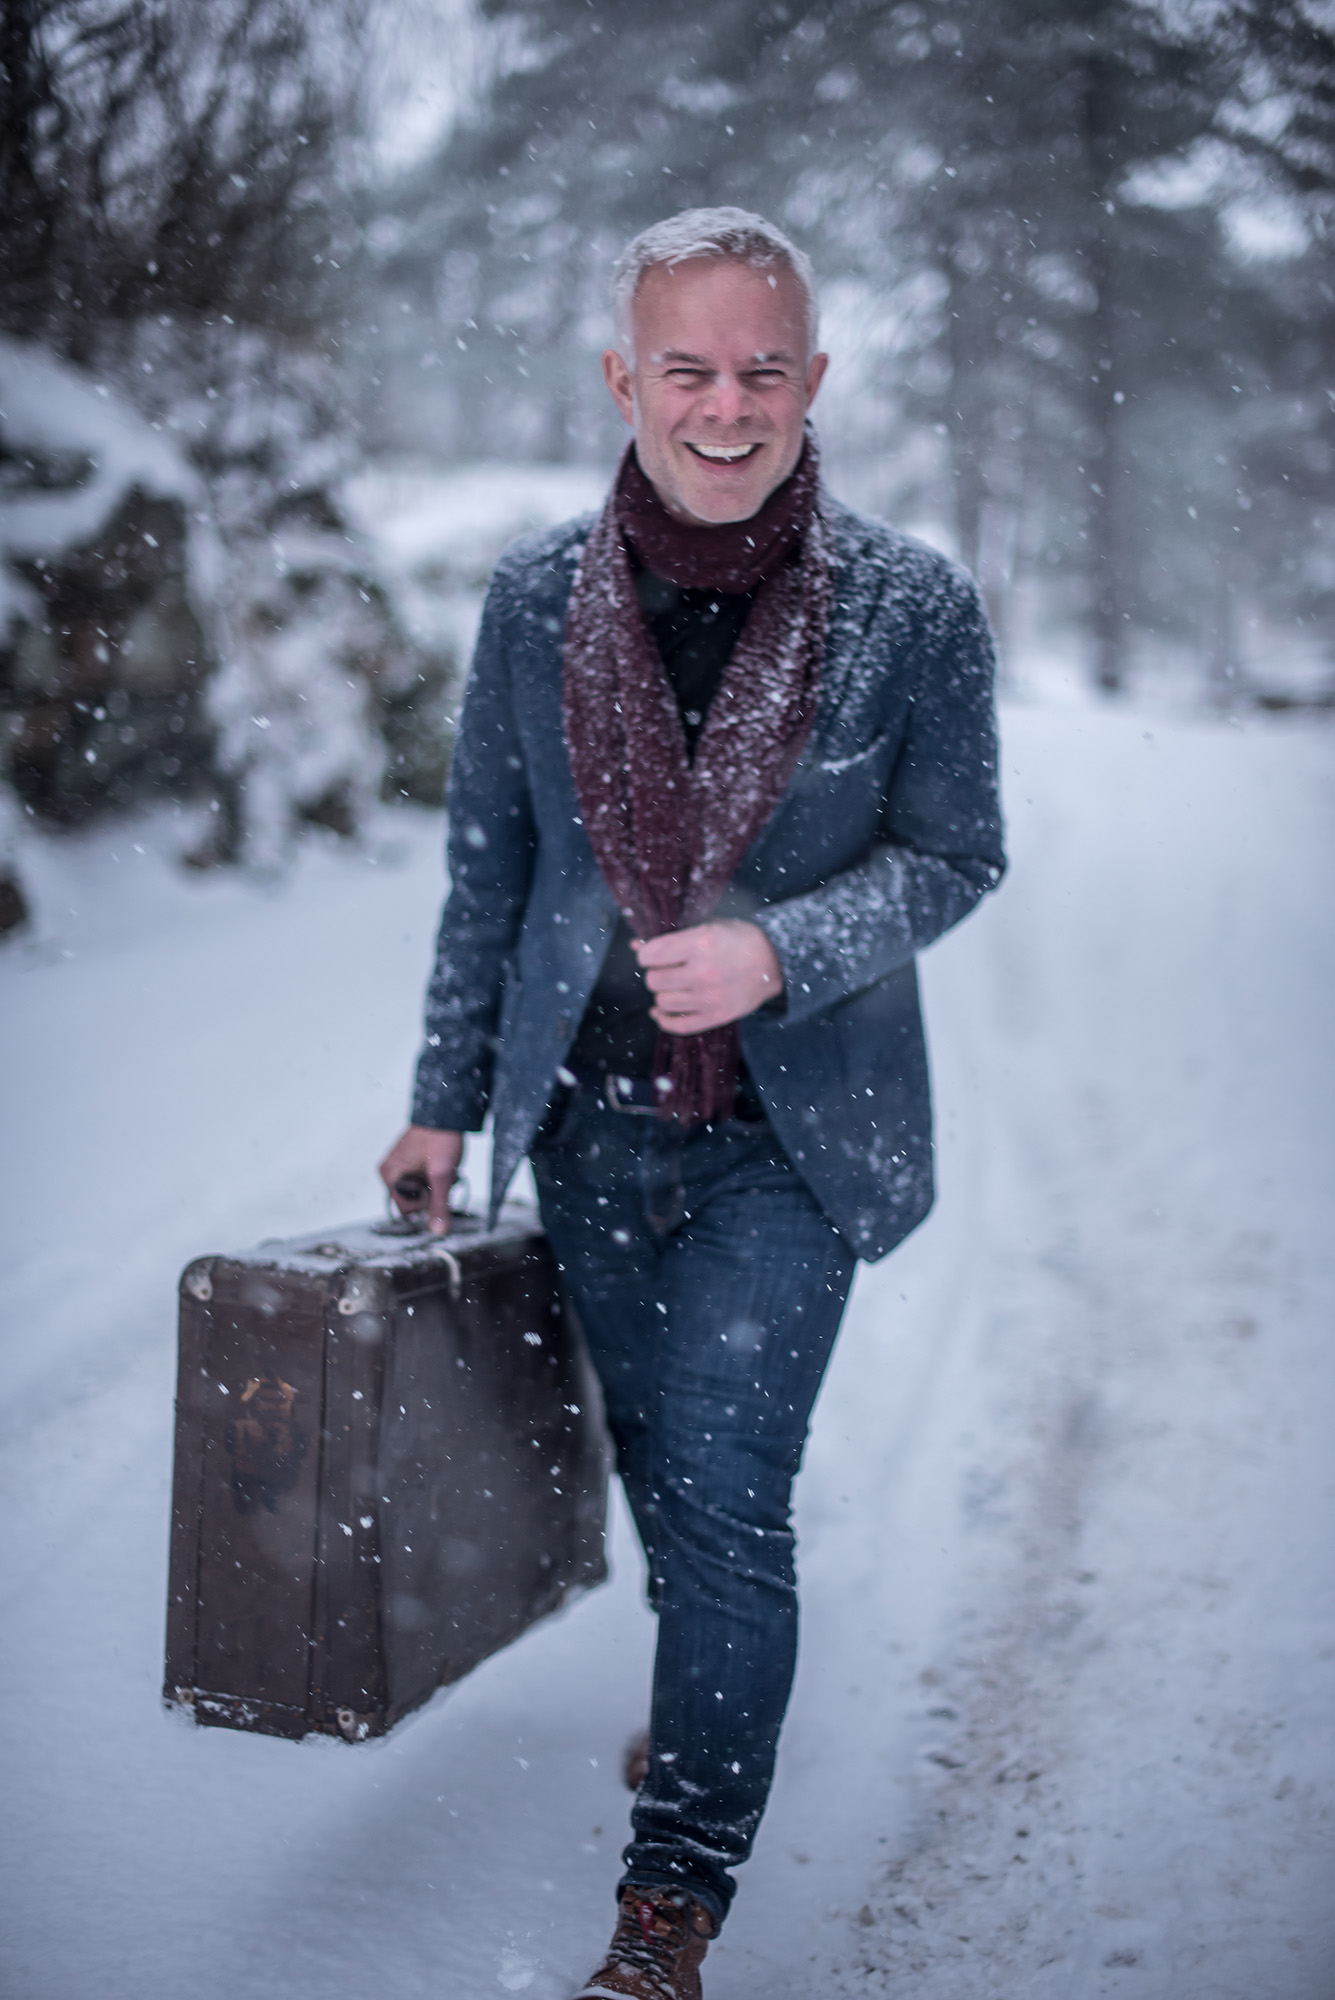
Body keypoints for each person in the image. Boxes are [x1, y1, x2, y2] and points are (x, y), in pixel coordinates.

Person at [379, 206, 1005, 2000]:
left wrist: (782, 951)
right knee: (660, 1464)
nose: (723, 408)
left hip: (789, 1144)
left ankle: (675, 1903)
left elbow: (960, 855)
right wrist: (440, 1101)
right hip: (584, 1126)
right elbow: (490, 876)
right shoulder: (527, 600)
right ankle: (707, 1693)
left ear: (813, 378)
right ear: (622, 378)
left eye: (760, 370)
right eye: (687, 369)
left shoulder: (913, 605)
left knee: (730, 1494)